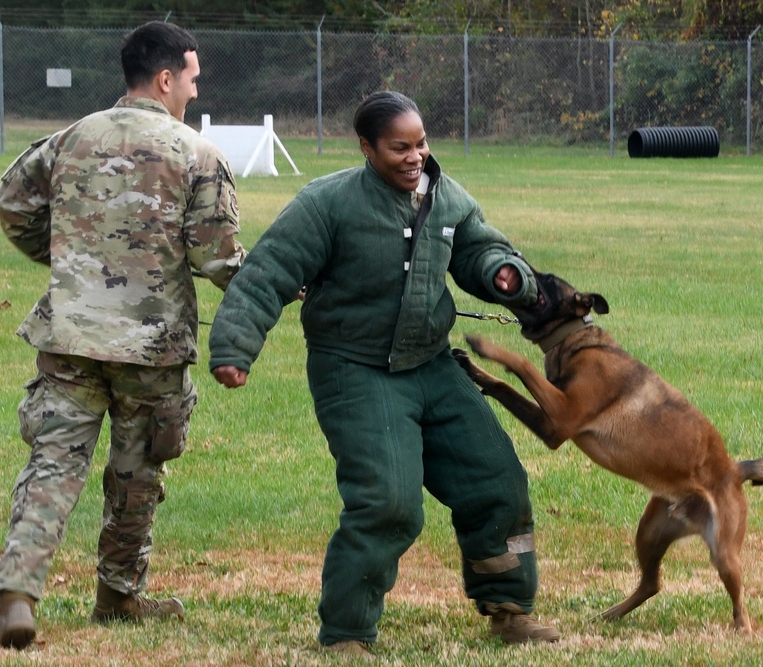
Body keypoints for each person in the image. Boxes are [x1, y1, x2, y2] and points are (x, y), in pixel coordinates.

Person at [208, 90, 559, 656]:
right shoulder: (328, 203)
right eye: (399, 147)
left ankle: (509, 607)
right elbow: (269, 272)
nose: (415, 156)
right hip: (355, 369)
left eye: (420, 143)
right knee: (388, 502)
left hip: (431, 363)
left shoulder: (445, 198)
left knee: (497, 480)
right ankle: (347, 633)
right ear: (367, 148)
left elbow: (480, 248)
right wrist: (234, 347)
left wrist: (506, 274)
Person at [0, 21, 246, 650]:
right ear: (165, 78)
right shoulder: (198, 154)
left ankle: (19, 594)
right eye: (191, 77)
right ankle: (118, 594)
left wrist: (72, 262)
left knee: (53, 464)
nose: (194, 88)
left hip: (70, 336)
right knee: (137, 472)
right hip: (152, 348)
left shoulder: (73, 136)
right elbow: (217, 260)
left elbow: (14, 205)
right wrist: (275, 284)